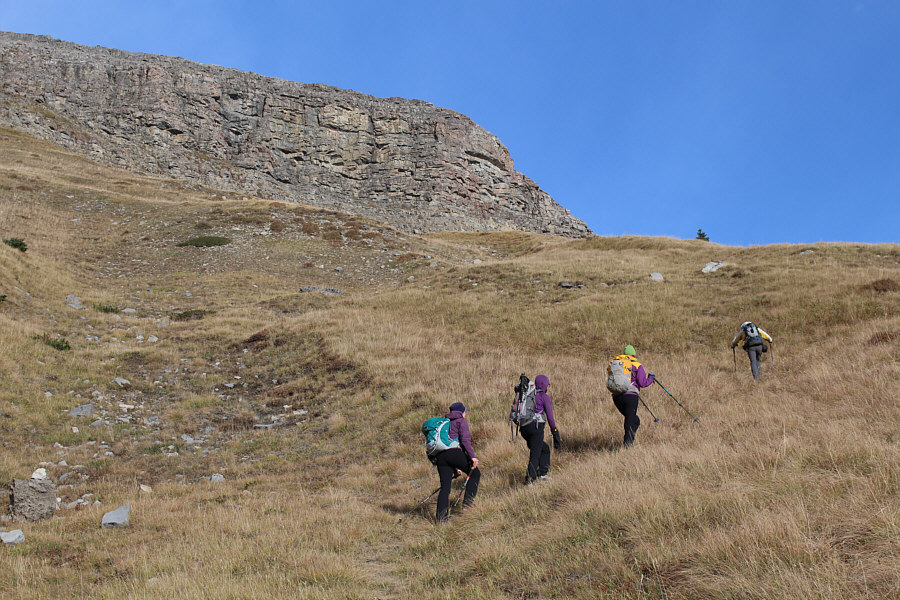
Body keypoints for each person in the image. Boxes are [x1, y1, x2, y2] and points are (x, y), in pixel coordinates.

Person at [435, 402, 480, 522]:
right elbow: (465, 441)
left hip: (440, 456)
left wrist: (455, 470)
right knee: (475, 474)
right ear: (462, 412)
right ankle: (467, 505)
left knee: (445, 487)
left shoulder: (445, 422)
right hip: (454, 453)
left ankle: (441, 519)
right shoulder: (461, 421)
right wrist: (473, 457)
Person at [609, 345, 654, 448]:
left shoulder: (616, 363)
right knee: (631, 419)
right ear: (633, 354)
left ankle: (629, 442)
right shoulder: (636, 365)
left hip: (616, 397)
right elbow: (643, 383)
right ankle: (627, 445)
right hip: (630, 396)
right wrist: (651, 378)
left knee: (634, 420)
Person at [521, 374, 561, 484]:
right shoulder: (544, 397)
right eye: (548, 384)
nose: (549, 386)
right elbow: (550, 418)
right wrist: (555, 432)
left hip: (524, 428)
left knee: (544, 449)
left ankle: (543, 474)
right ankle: (530, 480)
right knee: (535, 453)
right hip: (536, 428)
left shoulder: (528, 395)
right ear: (544, 385)